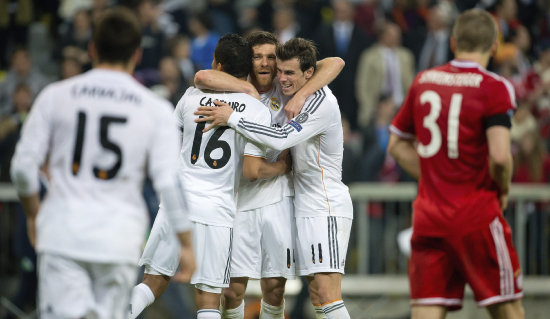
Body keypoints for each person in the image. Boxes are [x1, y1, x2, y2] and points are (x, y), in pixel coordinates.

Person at [9, 7, 194, 319]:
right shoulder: (154, 108)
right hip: (117, 238)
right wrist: (186, 243)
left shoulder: (55, 96)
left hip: (63, 233)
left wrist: (32, 215)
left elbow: (22, 170)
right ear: (137, 54)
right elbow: (168, 182)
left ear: (92, 49)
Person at [129, 34, 291, 319]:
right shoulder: (257, 110)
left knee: (152, 282)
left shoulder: (191, 96)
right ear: (247, 70)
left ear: (217, 62)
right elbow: (253, 168)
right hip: (217, 207)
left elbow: (172, 140)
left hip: (178, 203)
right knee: (208, 297)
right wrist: (283, 167)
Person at [195, 38, 353, 319]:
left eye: (274, 59)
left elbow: (335, 62)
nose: (270, 67)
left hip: (302, 201)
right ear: (248, 61)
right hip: (258, 200)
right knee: (237, 291)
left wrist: (302, 96)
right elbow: (202, 76)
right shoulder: (242, 87)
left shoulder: (300, 91)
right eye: (258, 57)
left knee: (304, 290)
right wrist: (246, 89)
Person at [387, 8, 524, 319]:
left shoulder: (424, 80)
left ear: (453, 42)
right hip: (476, 215)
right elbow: (501, 156)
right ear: (493, 45)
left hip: (429, 218)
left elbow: (397, 145)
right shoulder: (494, 87)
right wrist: (502, 188)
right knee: (509, 308)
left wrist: (438, 176)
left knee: (427, 309)